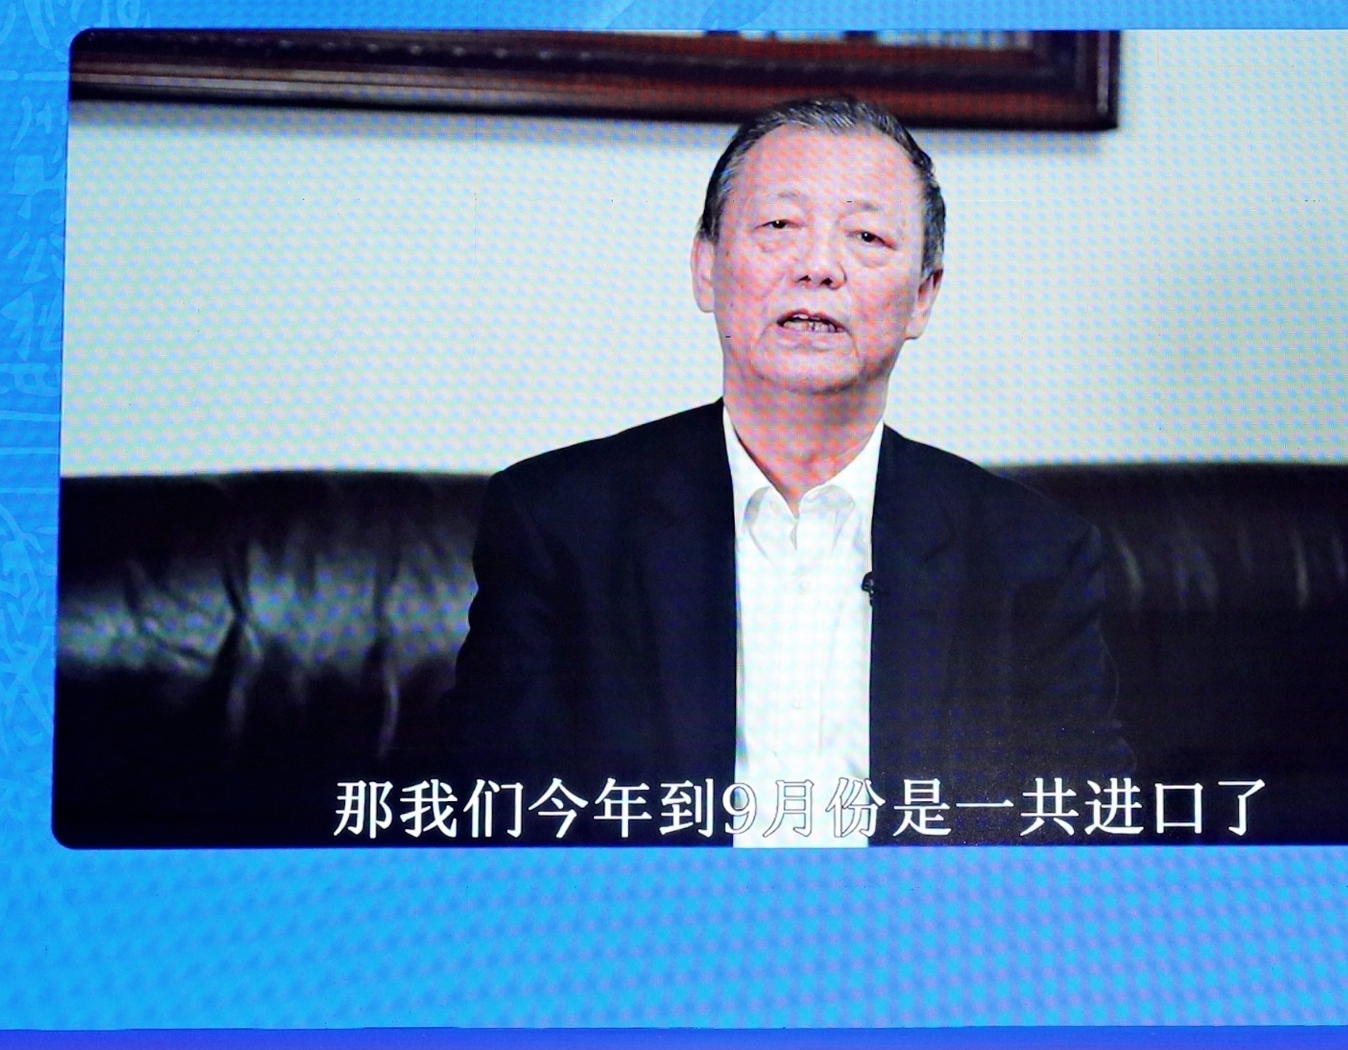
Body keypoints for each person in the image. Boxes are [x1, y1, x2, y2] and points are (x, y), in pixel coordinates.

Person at [441, 95, 1127, 844]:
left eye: (866, 236)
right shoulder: (558, 525)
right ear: (706, 269)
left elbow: (1085, 839)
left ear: (923, 297)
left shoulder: (1032, 554)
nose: (818, 267)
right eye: (779, 226)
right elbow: (491, 825)